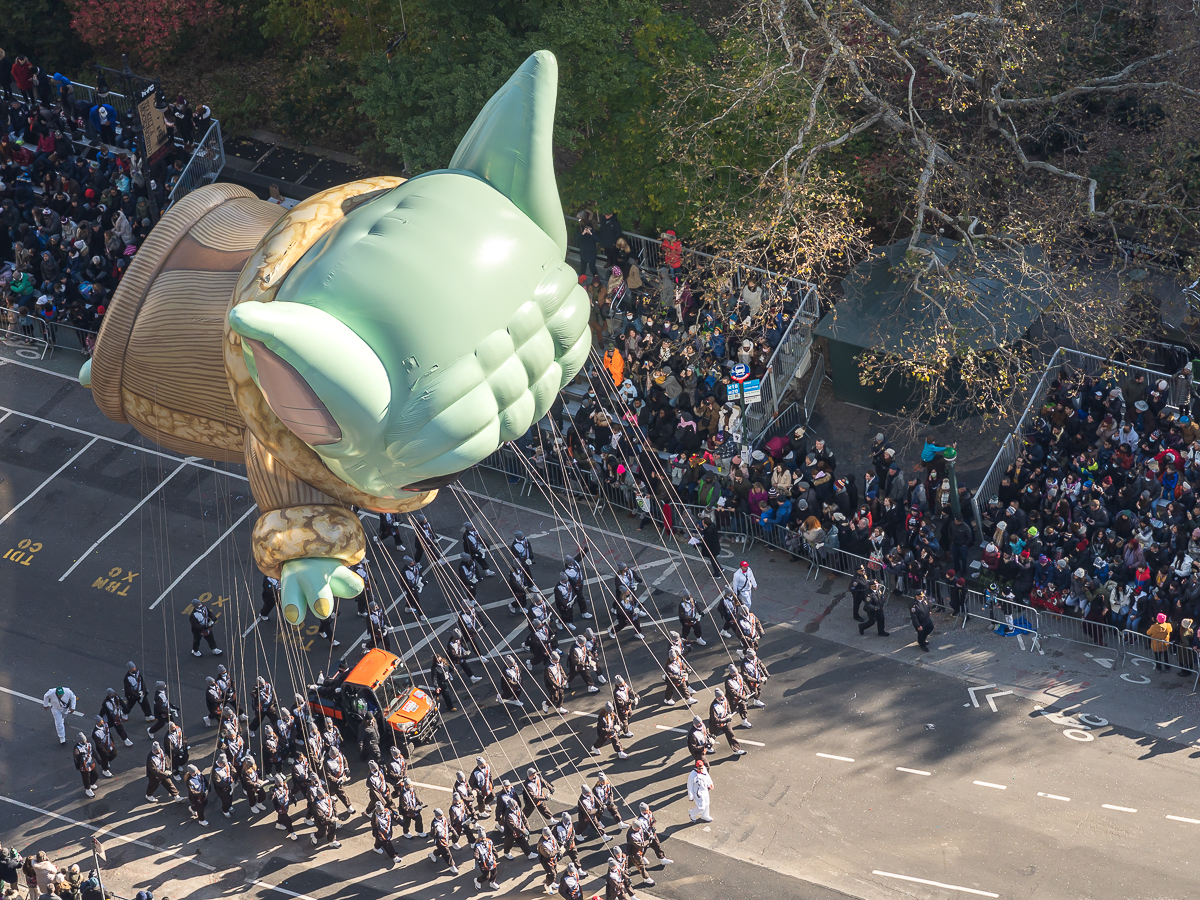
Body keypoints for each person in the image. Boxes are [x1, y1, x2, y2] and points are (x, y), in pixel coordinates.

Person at [428, 808, 459, 874]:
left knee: (441, 851)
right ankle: (451, 865)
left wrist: (454, 832)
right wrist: (434, 830)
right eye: (440, 816)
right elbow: (432, 834)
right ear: (437, 816)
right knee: (447, 853)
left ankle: (433, 854)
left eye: (442, 815)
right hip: (440, 841)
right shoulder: (434, 823)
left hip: (446, 838)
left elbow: (449, 826)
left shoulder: (444, 819)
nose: (442, 816)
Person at [473, 825, 500, 890]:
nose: (483, 840)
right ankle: (477, 881)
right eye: (482, 838)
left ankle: (492, 882)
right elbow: (476, 853)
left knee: (494, 872)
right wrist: (476, 857)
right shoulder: (477, 845)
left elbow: (492, 848)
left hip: (491, 860)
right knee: (486, 876)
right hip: (483, 863)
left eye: (484, 838)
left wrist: (495, 853)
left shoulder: (489, 841)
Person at [687, 758, 714, 823]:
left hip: (705, 790)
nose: (701, 770)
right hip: (698, 793)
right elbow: (689, 786)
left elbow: (707, 776)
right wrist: (691, 796)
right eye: (699, 768)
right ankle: (692, 813)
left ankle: (705, 815)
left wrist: (710, 783)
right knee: (701, 807)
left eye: (701, 768)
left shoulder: (704, 769)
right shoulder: (692, 775)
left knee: (707, 804)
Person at [73, 733, 100, 798]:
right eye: (83, 741)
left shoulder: (89, 744)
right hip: (84, 766)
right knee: (86, 778)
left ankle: (91, 783)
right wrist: (80, 755)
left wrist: (98, 759)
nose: (85, 742)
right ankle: (88, 789)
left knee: (96, 774)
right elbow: (76, 757)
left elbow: (93, 752)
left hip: (91, 763)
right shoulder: (77, 748)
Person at [537, 826, 561, 893]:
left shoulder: (551, 837)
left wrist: (558, 849)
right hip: (546, 861)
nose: (549, 836)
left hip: (553, 858)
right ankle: (548, 885)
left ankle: (552, 882)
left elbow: (555, 843)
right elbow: (548, 855)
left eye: (549, 835)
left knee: (555, 871)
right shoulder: (542, 844)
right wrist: (557, 851)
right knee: (551, 874)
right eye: (547, 836)